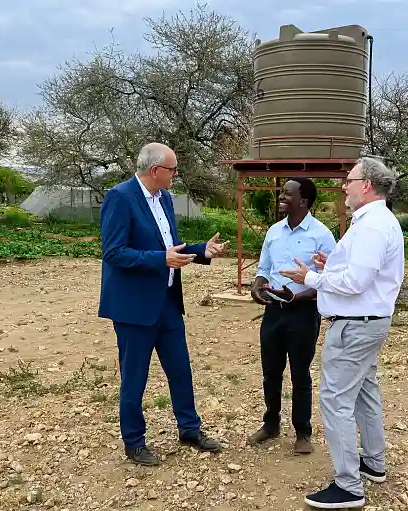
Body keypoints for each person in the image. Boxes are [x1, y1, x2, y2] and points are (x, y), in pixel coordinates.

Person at [279, 157, 404, 509]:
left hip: (355, 327)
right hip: (369, 323)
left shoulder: (370, 226)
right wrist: (328, 264)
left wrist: (312, 279)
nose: (344, 187)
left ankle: (348, 486)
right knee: (365, 392)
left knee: (336, 400)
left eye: (349, 180)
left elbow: (355, 282)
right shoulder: (377, 222)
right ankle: (373, 464)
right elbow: (362, 271)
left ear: (366, 185)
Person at [98, 142, 229, 466]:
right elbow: (113, 253)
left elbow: (169, 247)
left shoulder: (165, 199)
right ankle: (134, 441)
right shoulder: (120, 197)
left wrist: (201, 251)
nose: (176, 174)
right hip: (134, 308)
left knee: (180, 370)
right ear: (155, 170)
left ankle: (189, 429)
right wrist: (161, 259)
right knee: (135, 377)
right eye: (172, 169)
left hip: (167, 302)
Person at [248, 178, 336, 454]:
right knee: (270, 372)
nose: (281, 196)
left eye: (288, 193)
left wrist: (298, 297)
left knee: (300, 374)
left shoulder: (322, 236)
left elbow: (328, 279)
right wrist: (257, 286)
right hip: (273, 312)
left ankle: (303, 433)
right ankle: (271, 423)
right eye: (282, 191)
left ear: (304, 202)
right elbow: (264, 268)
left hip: (303, 313)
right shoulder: (274, 231)